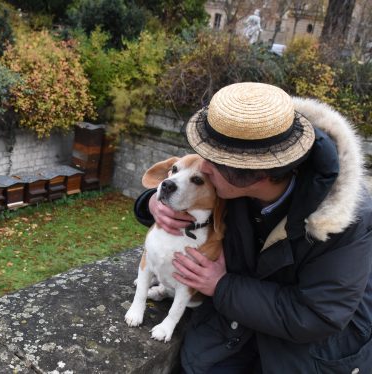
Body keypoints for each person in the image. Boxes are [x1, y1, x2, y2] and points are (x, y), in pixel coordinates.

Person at [133, 82, 372, 373]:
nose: (204, 168)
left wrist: (221, 285)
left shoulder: (347, 221)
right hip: (231, 328)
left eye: (214, 164)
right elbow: (187, 181)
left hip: (310, 353)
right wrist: (152, 204)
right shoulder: (240, 172)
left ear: (258, 177)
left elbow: (318, 314)